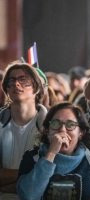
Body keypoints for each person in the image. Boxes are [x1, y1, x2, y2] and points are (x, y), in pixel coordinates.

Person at [17, 102, 90, 199]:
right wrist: (51, 153)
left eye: (70, 124)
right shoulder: (32, 158)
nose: (62, 129)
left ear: (81, 133)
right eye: (56, 123)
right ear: (48, 130)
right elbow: (28, 196)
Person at [0, 62, 46, 199]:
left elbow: (47, 175)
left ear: (36, 88)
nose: (16, 84)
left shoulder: (49, 125)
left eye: (23, 80)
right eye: (11, 80)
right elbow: (37, 176)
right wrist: (29, 177)